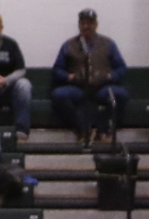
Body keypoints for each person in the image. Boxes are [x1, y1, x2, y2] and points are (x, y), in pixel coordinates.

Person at [51, 8, 128, 144]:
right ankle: (82, 128)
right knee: (58, 95)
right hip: (78, 87)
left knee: (121, 94)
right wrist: (69, 77)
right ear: (79, 25)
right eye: (83, 23)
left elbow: (121, 68)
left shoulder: (108, 43)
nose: (86, 26)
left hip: (102, 87)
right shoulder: (68, 45)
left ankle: (102, 129)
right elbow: (57, 70)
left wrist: (111, 77)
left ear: (96, 25)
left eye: (90, 23)